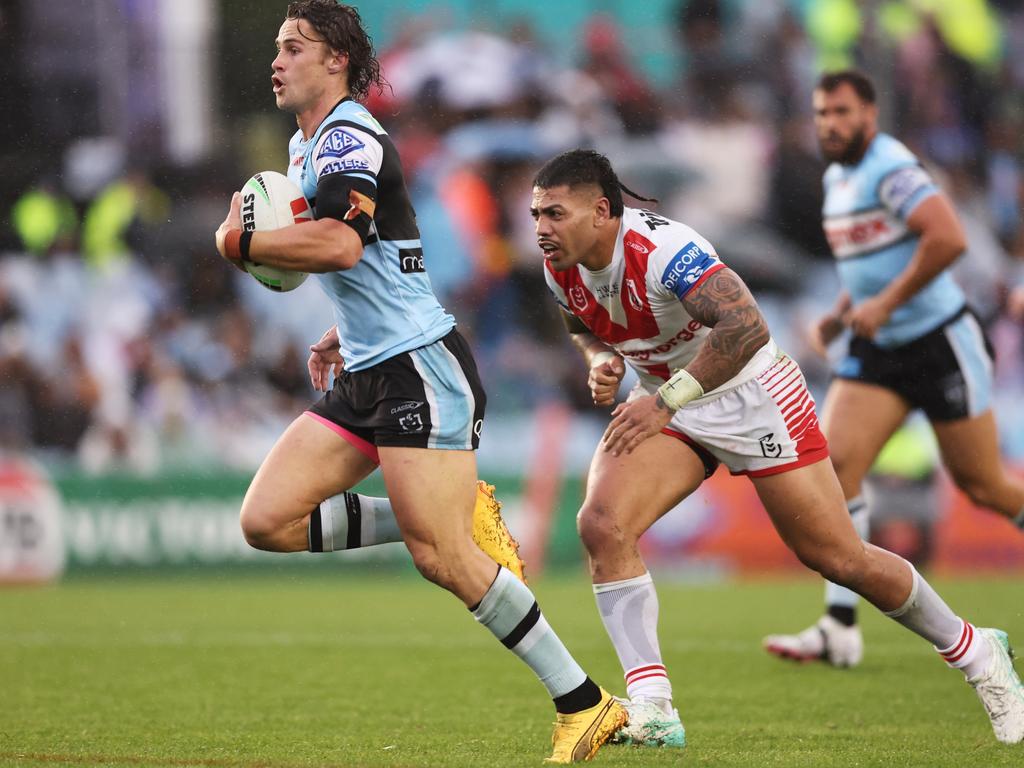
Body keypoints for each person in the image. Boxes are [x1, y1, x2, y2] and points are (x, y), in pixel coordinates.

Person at [213, 3, 624, 762]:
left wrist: (241, 241)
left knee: (445, 559)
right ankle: (448, 510)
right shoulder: (309, 145)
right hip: (370, 364)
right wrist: (350, 325)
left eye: (292, 47)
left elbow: (338, 244)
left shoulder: (347, 135)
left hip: (417, 368)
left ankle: (586, 703)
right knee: (266, 520)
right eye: (276, 48)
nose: (277, 61)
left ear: (335, 59)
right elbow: (388, 252)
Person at [530, 148, 1024, 748]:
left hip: (750, 394)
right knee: (602, 526)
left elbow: (747, 327)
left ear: (602, 211)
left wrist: (665, 400)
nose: (540, 228)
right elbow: (581, 326)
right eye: (536, 215)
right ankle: (654, 708)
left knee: (839, 558)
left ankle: (978, 654)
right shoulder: (562, 262)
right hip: (668, 399)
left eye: (554, 214)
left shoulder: (663, 252)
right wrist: (603, 360)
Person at [763, 70, 1024, 668]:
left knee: (984, 485)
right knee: (834, 470)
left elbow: (947, 238)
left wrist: (885, 304)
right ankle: (839, 627)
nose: (830, 123)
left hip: (937, 340)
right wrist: (840, 315)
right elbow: (873, 267)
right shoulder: (837, 178)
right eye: (822, 113)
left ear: (870, 116)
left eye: (842, 112)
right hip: (879, 348)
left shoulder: (892, 165)